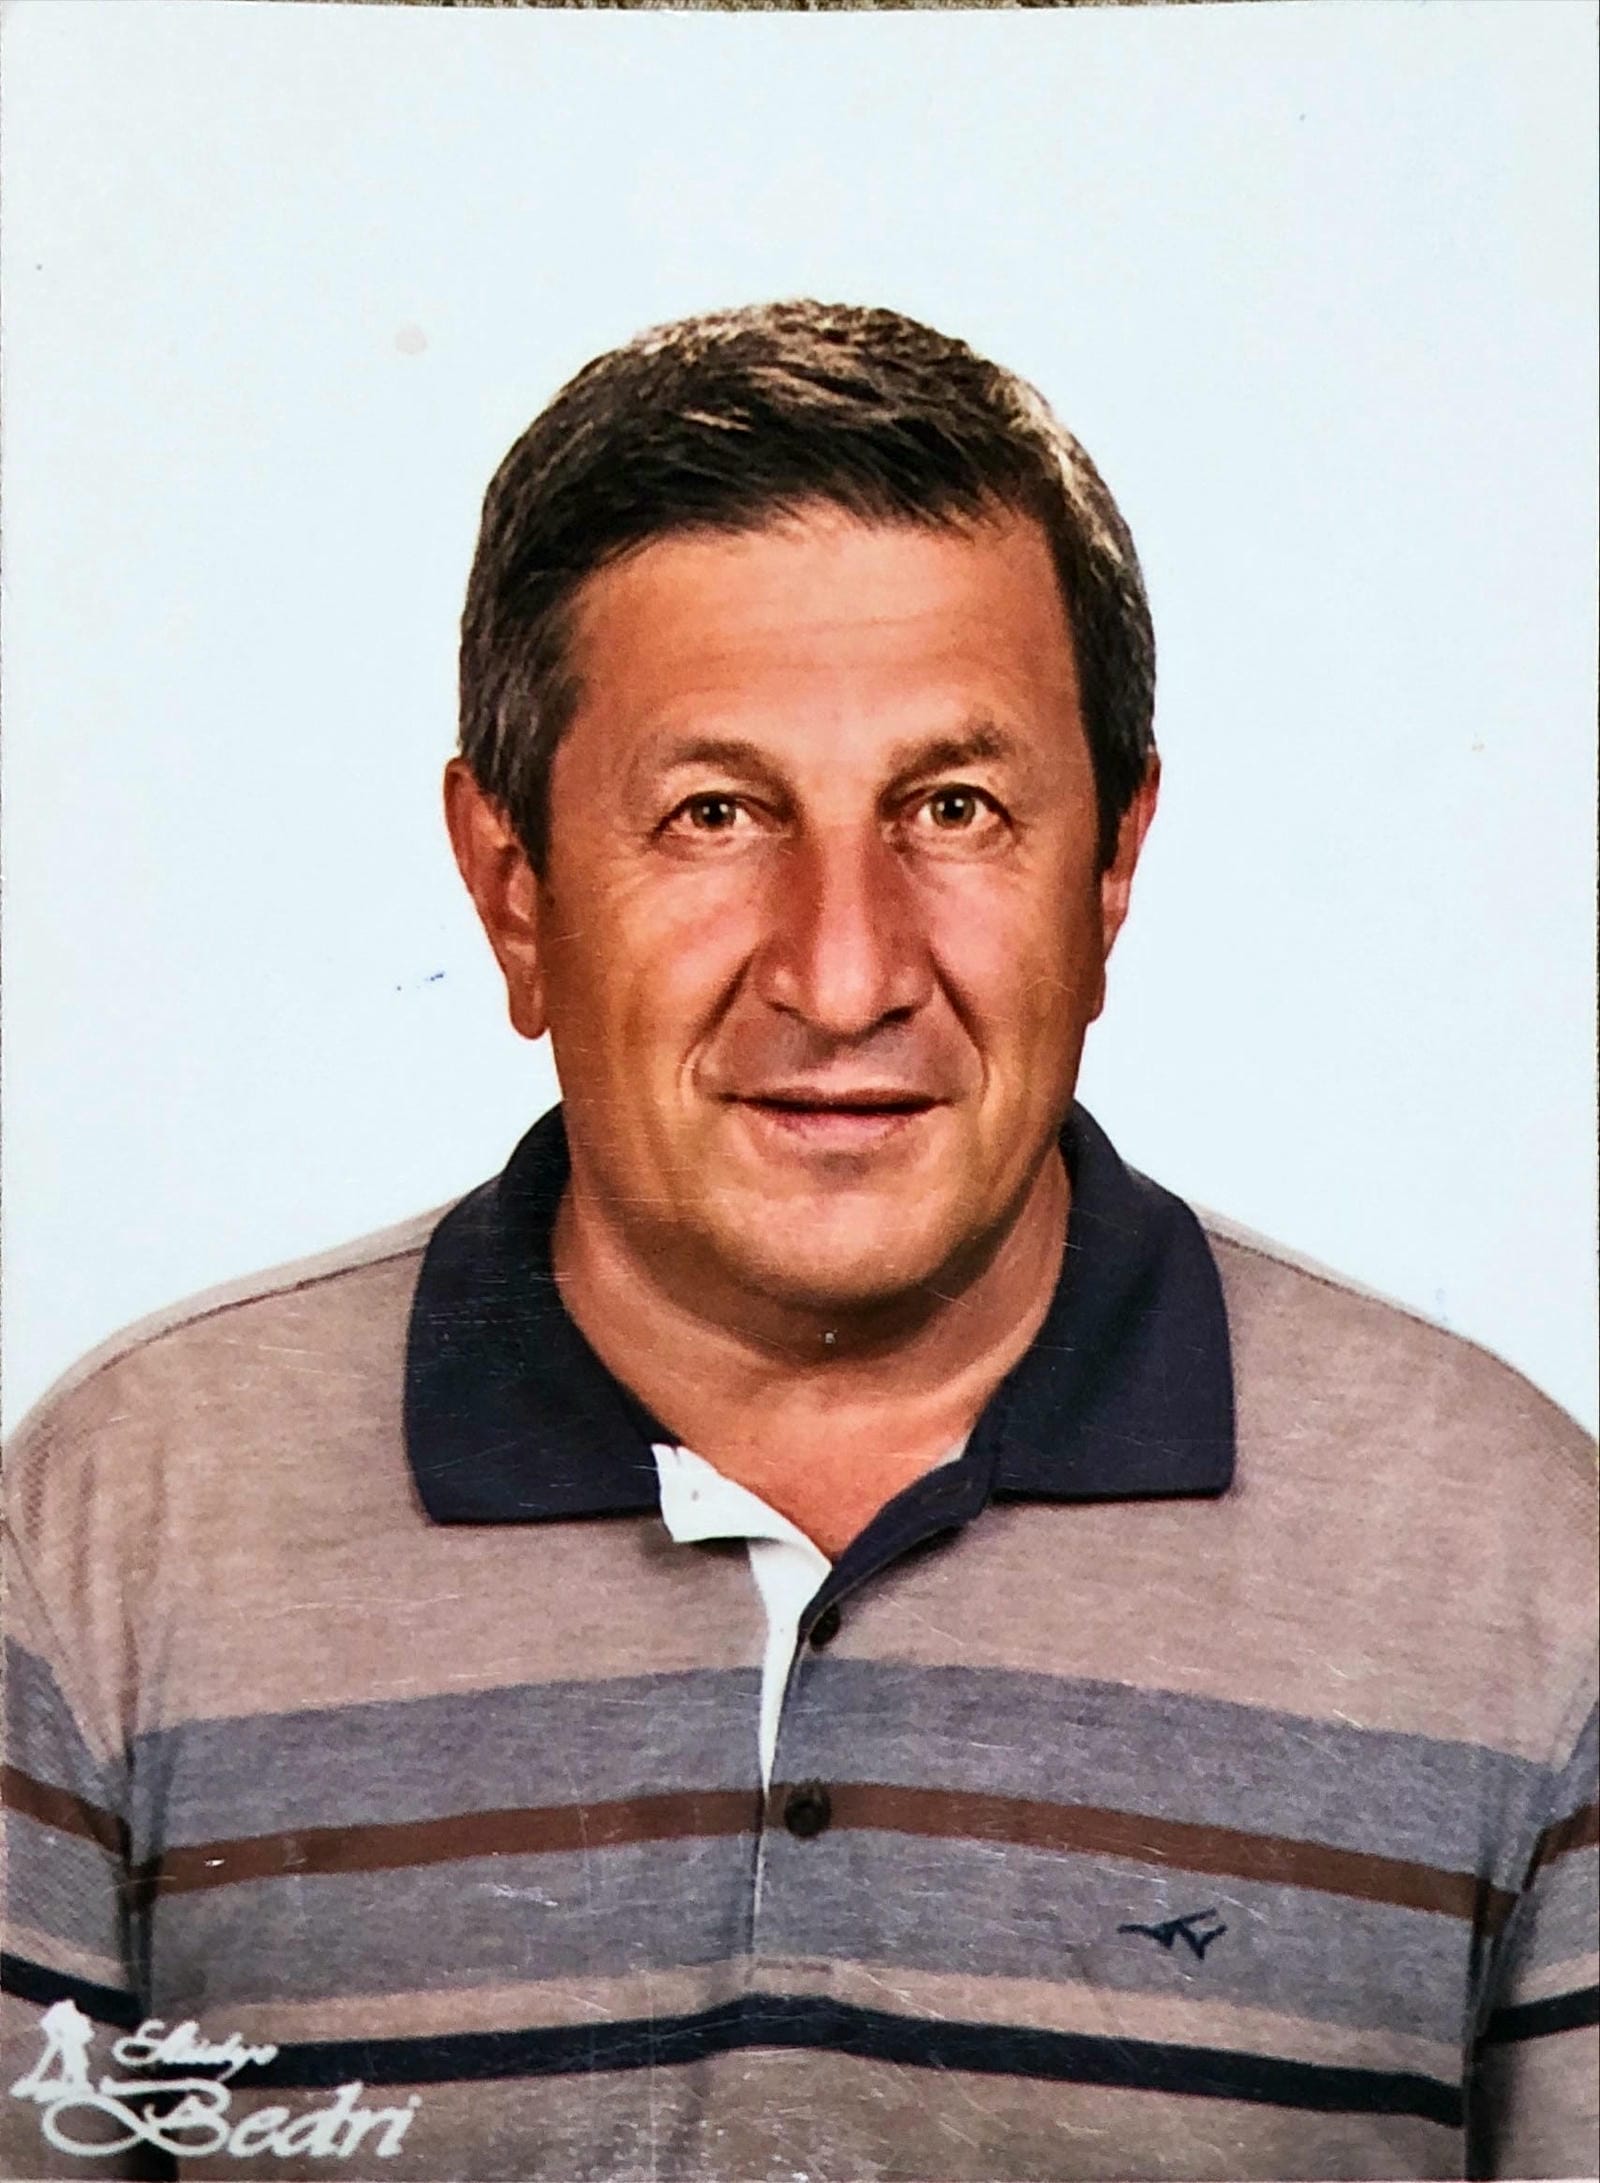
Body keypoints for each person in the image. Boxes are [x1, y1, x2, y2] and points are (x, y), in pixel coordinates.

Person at [3, 300, 1594, 2183]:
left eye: (955, 808)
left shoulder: (1520, 1565)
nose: (846, 975)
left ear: (1111, 870)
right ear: (512, 892)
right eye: (714, 812)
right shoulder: (115, 1536)